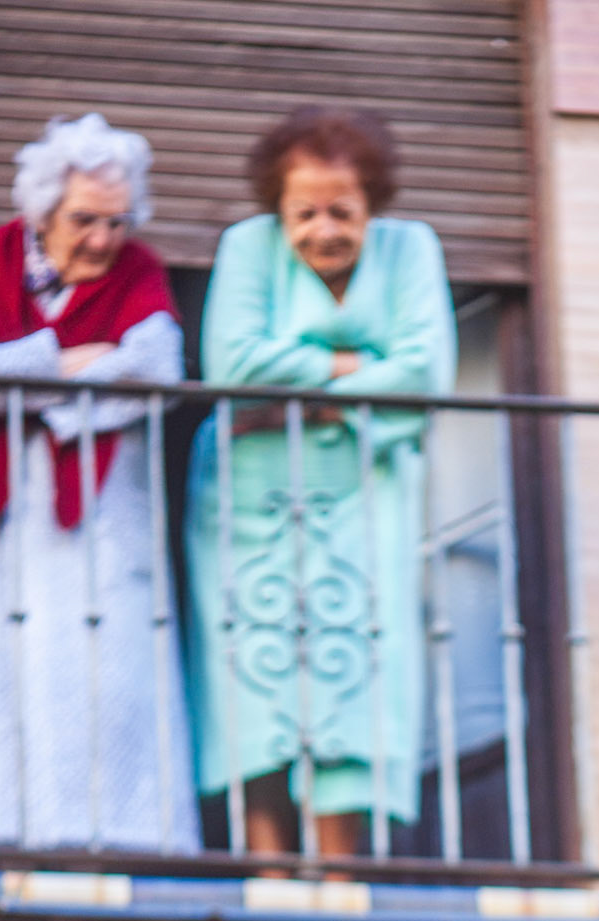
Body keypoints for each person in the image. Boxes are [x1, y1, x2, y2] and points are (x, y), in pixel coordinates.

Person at [185, 106, 457, 857]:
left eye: (343, 211)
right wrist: (358, 372)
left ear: (374, 201)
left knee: (355, 664)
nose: (322, 231)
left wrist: (294, 393)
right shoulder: (246, 248)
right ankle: (267, 879)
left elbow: (427, 372)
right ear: (277, 208)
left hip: (365, 491)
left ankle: (341, 883)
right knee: (250, 671)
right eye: (302, 213)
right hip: (246, 496)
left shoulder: (411, 250)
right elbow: (232, 365)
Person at [0, 112, 200, 853]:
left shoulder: (139, 270)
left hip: (101, 510)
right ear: (43, 210)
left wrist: (22, 372)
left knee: (102, 676)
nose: (102, 241)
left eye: (116, 223)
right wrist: (71, 359)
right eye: (85, 221)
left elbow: (155, 367)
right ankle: (0, 836)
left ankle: (117, 840)